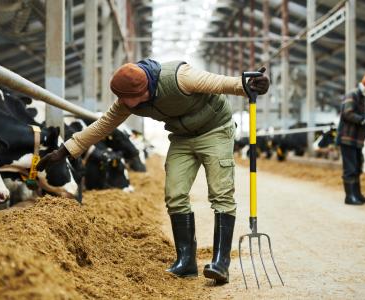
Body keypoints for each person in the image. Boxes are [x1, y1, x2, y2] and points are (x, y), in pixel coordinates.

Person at [36, 59, 269, 284]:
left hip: (215, 130)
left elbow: (218, 83)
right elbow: (102, 125)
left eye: (135, 98)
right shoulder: (127, 101)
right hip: (182, 137)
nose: (132, 104)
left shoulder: (180, 77)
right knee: (175, 195)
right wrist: (64, 151)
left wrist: (246, 85)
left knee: (221, 193)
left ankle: (220, 263)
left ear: (147, 85)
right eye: (126, 100)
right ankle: (186, 262)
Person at [336, 69, 365, 205]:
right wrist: (363, 119)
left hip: (359, 139)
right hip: (347, 137)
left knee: (358, 165)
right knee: (350, 167)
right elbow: (347, 113)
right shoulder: (353, 94)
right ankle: (349, 197)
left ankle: (357, 194)